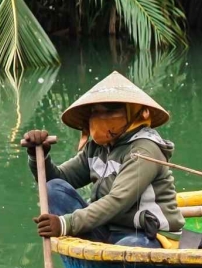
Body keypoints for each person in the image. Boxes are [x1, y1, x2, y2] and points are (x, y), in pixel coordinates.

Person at [23, 71, 183, 248]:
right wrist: (38, 155)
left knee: (128, 246)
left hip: (148, 235)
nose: (100, 117)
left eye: (109, 110)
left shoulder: (144, 149)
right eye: (95, 112)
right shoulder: (96, 149)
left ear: (132, 113)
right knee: (53, 188)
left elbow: (118, 200)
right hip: (107, 229)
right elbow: (56, 179)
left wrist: (66, 223)